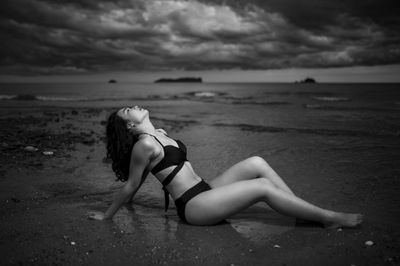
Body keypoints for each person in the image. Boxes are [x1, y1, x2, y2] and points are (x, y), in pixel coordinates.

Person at [88, 106, 363, 228]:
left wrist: (133, 203)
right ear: (130, 126)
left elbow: (143, 177)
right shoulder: (144, 145)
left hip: (204, 189)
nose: (133, 105)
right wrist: (107, 216)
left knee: (257, 162)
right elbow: (132, 184)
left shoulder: (159, 133)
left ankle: (302, 211)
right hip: (194, 206)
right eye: (127, 110)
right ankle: (327, 217)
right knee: (262, 187)